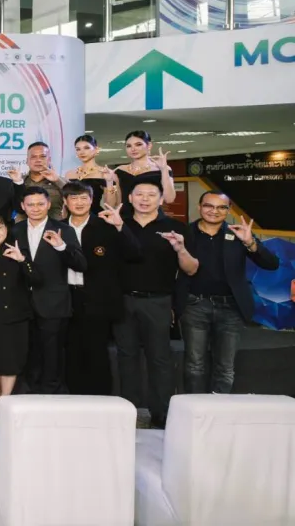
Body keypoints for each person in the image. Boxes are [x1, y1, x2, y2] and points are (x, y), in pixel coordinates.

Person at [177, 192, 280, 394]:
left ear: (228, 210)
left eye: (221, 207)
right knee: (194, 365)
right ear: (199, 207)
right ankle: (194, 408)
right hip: (194, 306)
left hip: (231, 307)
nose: (214, 211)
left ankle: (219, 409)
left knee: (225, 367)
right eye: (209, 206)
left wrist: (250, 243)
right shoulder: (185, 233)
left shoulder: (238, 234)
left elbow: (272, 264)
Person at [116, 182, 199, 428]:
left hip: (158, 301)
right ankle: (128, 411)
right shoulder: (118, 225)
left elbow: (191, 269)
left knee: (160, 358)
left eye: (151, 195)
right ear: (130, 198)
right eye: (139, 194)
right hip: (122, 300)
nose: (145, 199)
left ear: (161, 199)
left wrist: (180, 249)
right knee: (126, 357)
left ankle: (161, 412)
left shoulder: (176, 228)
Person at [62, 183, 142, 396]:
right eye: (74, 198)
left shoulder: (105, 225)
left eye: (84, 198)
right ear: (65, 202)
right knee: (71, 351)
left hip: (98, 299)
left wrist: (120, 226)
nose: (79, 203)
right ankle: (74, 397)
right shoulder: (58, 228)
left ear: (91, 200)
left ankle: (100, 399)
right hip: (66, 298)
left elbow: (134, 253)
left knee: (97, 351)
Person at [11, 186, 87, 395]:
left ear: (48, 204)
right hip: (22, 303)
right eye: (30, 204)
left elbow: (81, 264)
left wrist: (61, 246)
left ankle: (51, 394)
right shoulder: (15, 230)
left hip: (53, 303)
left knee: (52, 353)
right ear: (23, 206)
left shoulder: (64, 230)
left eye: (40, 204)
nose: (35, 208)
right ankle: (29, 394)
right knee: (28, 351)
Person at [0, 214, 34, 413]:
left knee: (10, 359)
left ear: (6, 229)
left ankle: (5, 399)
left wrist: (22, 260)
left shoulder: (16, 249)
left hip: (14, 315)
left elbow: (36, 278)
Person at [114, 131, 176, 214]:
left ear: (149, 145)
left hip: (152, 217)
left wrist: (163, 170)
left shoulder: (161, 169)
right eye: (129, 146)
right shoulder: (120, 170)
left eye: (138, 144)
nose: (133, 149)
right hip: (125, 217)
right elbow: (118, 202)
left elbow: (169, 199)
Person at [10, 142, 68, 221]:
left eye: (43, 156)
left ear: (49, 159)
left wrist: (57, 180)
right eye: (33, 157)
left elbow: (75, 197)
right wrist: (18, 183)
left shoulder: (61, 181)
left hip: (54, 226)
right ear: (27, 161)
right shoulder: (17, 181)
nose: (38, 160)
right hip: (23, 227)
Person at [63, 134, 120, 214]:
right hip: (72, 217)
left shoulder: (106, 173)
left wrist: (110, 182)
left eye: (86, 148)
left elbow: (110, 206)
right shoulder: (69, 174)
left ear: (96, 149)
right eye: (78, 149)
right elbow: (66, 202)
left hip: (95, 217)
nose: (82, 152)